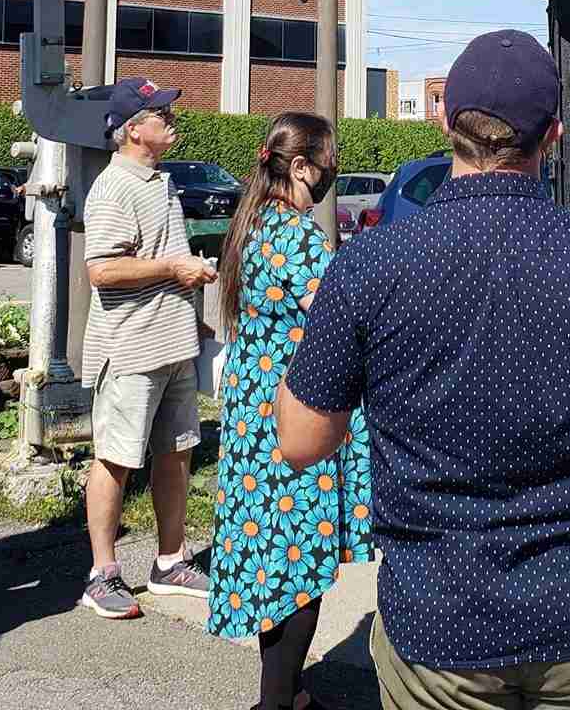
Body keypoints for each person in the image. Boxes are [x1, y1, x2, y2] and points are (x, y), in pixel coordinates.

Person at [277, 29, 570, 710]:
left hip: (438, 625)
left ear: (444, 117)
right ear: (556, 135)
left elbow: (301, 440)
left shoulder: (369, 265)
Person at [207, 112, 371, 710]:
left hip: (256, 410)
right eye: (329, 162)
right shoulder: (297, 236)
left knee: (274, 554)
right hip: (295, 411)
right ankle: (276, 702)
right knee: (299, 562)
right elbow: (336, 319)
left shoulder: (253, 223)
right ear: (301, 167)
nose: (333, 173)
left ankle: (290, 693)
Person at [79, 77, 217, 620]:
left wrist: (192, 310)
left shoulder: (159, 181)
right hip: (132, 347)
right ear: (134, 129)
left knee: (177, 450)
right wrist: (173, 268)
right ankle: (102, 574)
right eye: (161, 113)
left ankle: (169, 561)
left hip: (173, 341)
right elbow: (102, 270)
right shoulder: (114, 187)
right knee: (115, 458)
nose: (171, 119)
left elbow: (165, 254)